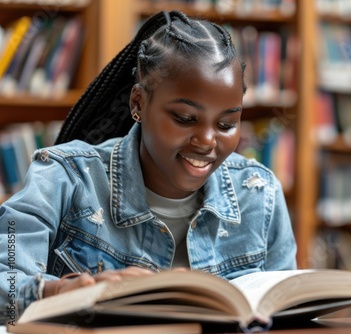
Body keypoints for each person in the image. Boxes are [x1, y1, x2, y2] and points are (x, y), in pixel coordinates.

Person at [0, 10, 297, 322]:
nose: (208, 140)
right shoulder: (62, 176)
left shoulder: (260, 193)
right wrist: (62, 293)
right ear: (138, 103)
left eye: (226, 124)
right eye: (185, 118)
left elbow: (287, 307)